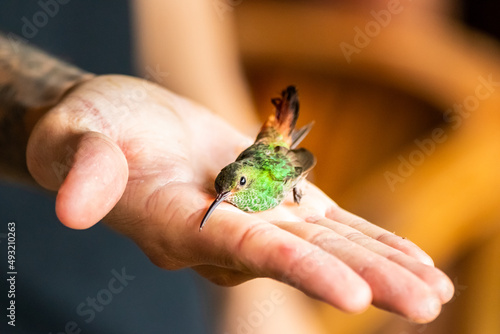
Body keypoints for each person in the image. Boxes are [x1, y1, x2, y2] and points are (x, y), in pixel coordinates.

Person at [0, 1, 454, 331]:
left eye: (231, 189)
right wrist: (46, 99)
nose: (223, 199)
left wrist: (261, 299)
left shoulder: (265, 178)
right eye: (223, 192)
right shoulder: (232, 182)